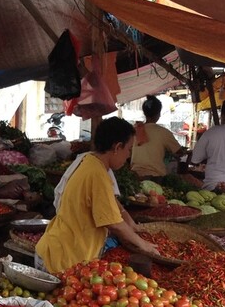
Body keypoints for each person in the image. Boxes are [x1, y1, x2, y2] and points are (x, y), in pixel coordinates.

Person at [36, 117, 159, 275]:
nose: (128, 156)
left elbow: (111, 201)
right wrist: (143, 245)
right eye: (128, 149)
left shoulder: (90, 160)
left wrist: (129, 221)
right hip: (63, 259)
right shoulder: (97, 174)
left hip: (57, 249)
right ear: (117, 147)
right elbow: (114, 224)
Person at [130, 95, 184, 179]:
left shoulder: (135, 129)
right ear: (158, 114)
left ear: (144, 113)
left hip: (135, 175)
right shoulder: (164, 132)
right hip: (155, 177)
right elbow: (179, 152)